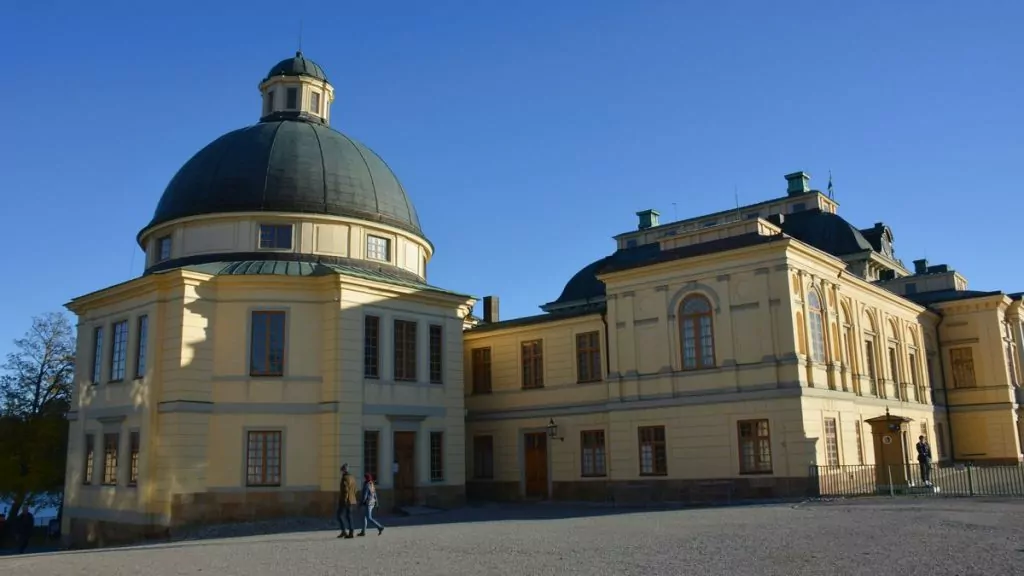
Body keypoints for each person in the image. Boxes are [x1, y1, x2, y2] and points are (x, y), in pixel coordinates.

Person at [337, 463, 358, 539]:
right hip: (352, 500)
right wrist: (352, 497)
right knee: (349, 516)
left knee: (339, 515)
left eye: (341, 470)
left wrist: (345, 500)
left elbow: (345, 490)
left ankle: (344, 531)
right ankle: (351, 531)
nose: (341, 472)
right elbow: (355, 489)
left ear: (343, 470)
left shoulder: (345, 478)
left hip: (345, 500)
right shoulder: (352, 477)